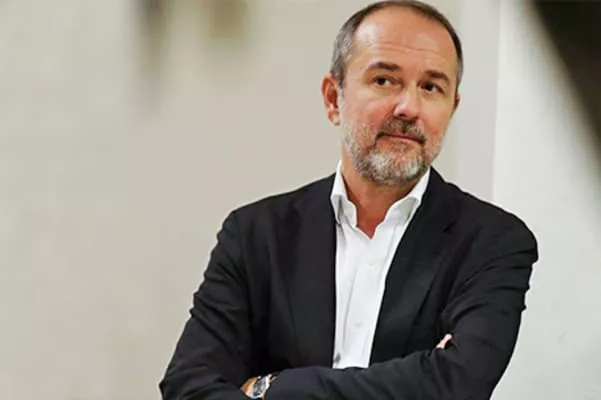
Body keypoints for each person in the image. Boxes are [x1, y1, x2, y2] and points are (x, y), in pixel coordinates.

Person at [160, 1, 538, 399]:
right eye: (384, 80)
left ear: (452, 108)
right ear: (332, 98)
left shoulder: (493, 243)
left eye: (431, 87)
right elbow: (188, 386)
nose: (409, 108)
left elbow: (455, 386)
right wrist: (418, 375)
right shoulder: (256, 235)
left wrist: (270, 387)